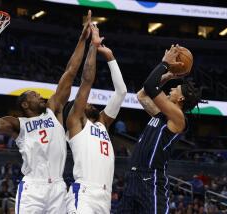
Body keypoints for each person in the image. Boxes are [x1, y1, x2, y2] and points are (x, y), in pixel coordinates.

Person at [0, 10, 93, 214]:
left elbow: (70, 72)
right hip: (33, 188)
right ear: (24, 105)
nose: (40, 96)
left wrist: (83, 39)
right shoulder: (17, 124)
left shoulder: (53, 110)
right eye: (34, 95)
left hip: (58, 187)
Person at [118, 45, 201, 213]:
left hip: (151, 180)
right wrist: (168, 75)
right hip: (133, 178)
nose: (170, 89)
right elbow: (142, 95)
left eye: (174, 89)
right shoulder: (159, 114)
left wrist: (165, 63)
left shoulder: (178, 117)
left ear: (181, 98)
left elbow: (150, 86)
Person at [66, 24, 127, 214]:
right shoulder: (76, 122)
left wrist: (110, 57)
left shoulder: (102, 123)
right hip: (84, 193)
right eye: (85, 102)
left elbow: (121, 92)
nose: (89, 102)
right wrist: (93, 46)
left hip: (105, 196)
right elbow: (86, 80)